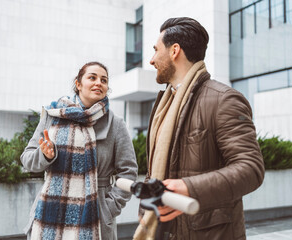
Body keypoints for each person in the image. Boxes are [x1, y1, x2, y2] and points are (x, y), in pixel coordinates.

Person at [133, 17, 265, 240]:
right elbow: (155, 171)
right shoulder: (164, 104)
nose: (152, 60)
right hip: (162, 229)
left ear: (175, 50)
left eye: (156, 50)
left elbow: (251, 168)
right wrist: (146, 207)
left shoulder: (223, 99)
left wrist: (188, 188)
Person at [21, 62, 138, 240]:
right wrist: (45, 155)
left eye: (104, 80)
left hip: (94, 215)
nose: (99, 82)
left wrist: (107, 209)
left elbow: (128, 173)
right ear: (78, 84)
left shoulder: (116, 124)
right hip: (51, 212)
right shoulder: (52, 116)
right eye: (92, 77)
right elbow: (27, 160)